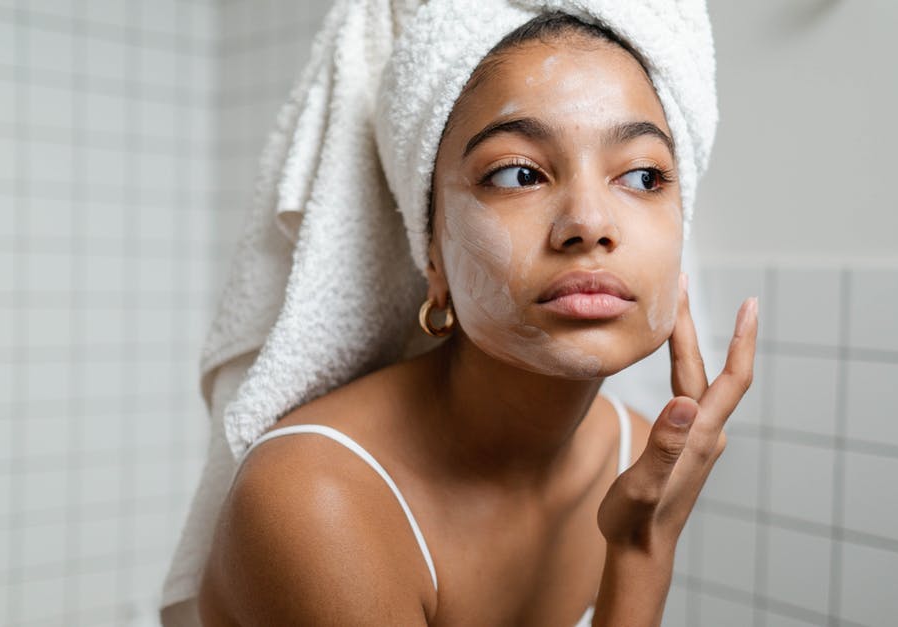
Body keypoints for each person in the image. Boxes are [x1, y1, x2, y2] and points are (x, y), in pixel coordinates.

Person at [193, 7, 757, 627]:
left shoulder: (643, 455)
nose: (590, 224)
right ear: (432, 253)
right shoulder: (314, 500)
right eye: (518, 173)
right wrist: (642, 550)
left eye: (644, 175)